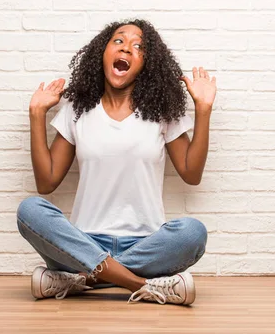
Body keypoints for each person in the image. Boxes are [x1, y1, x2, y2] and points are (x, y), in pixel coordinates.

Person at [16, 19, 216, 306]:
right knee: (30, 210)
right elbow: (46, 181)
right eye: (119, 41)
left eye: (138, 47)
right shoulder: (78, 110)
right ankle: (142, 285)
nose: (127, 48)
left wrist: (203, 110)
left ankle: (80, 280)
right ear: (103, 52)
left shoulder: (161, 112)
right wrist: (36, 114)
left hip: (146, 244)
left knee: (193, 233)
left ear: (146, 63)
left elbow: (191, 173)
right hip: (83, 242)